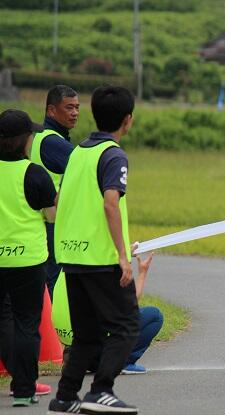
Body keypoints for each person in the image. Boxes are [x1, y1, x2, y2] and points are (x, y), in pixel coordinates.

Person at [49, 85, 140, 415]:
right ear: (127, 120)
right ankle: (101, 391)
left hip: (72, 256)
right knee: (126, 325)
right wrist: (122, 256)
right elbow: (110, 203)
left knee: (86, 335)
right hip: (101, 259)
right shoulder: (113, 155)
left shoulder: (77, 153)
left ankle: (65, 397)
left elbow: (61, 200)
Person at [0, 109, 57, 407]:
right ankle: (23, 389)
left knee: (3, 320)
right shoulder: (35, 173)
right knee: (26, 323)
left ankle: (15, 376)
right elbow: (52, 215)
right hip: (27, 259)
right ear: (25, 140)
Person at [53, 251, 163, 375]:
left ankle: (76, 358)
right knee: (154, 315)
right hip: (97, 346)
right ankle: (121, 362)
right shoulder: (101, 270)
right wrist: (142, 272)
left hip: (74, 344)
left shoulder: (66, 267)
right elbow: (129, 305)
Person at [30, 84, 79, 298]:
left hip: (43, 221)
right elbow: (87, 167)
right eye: (69, 107)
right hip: (55, 223)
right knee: (53, 281)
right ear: (51, 110)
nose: (75, 113)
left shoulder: (40, 136)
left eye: (77, 107)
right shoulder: (53, 142)